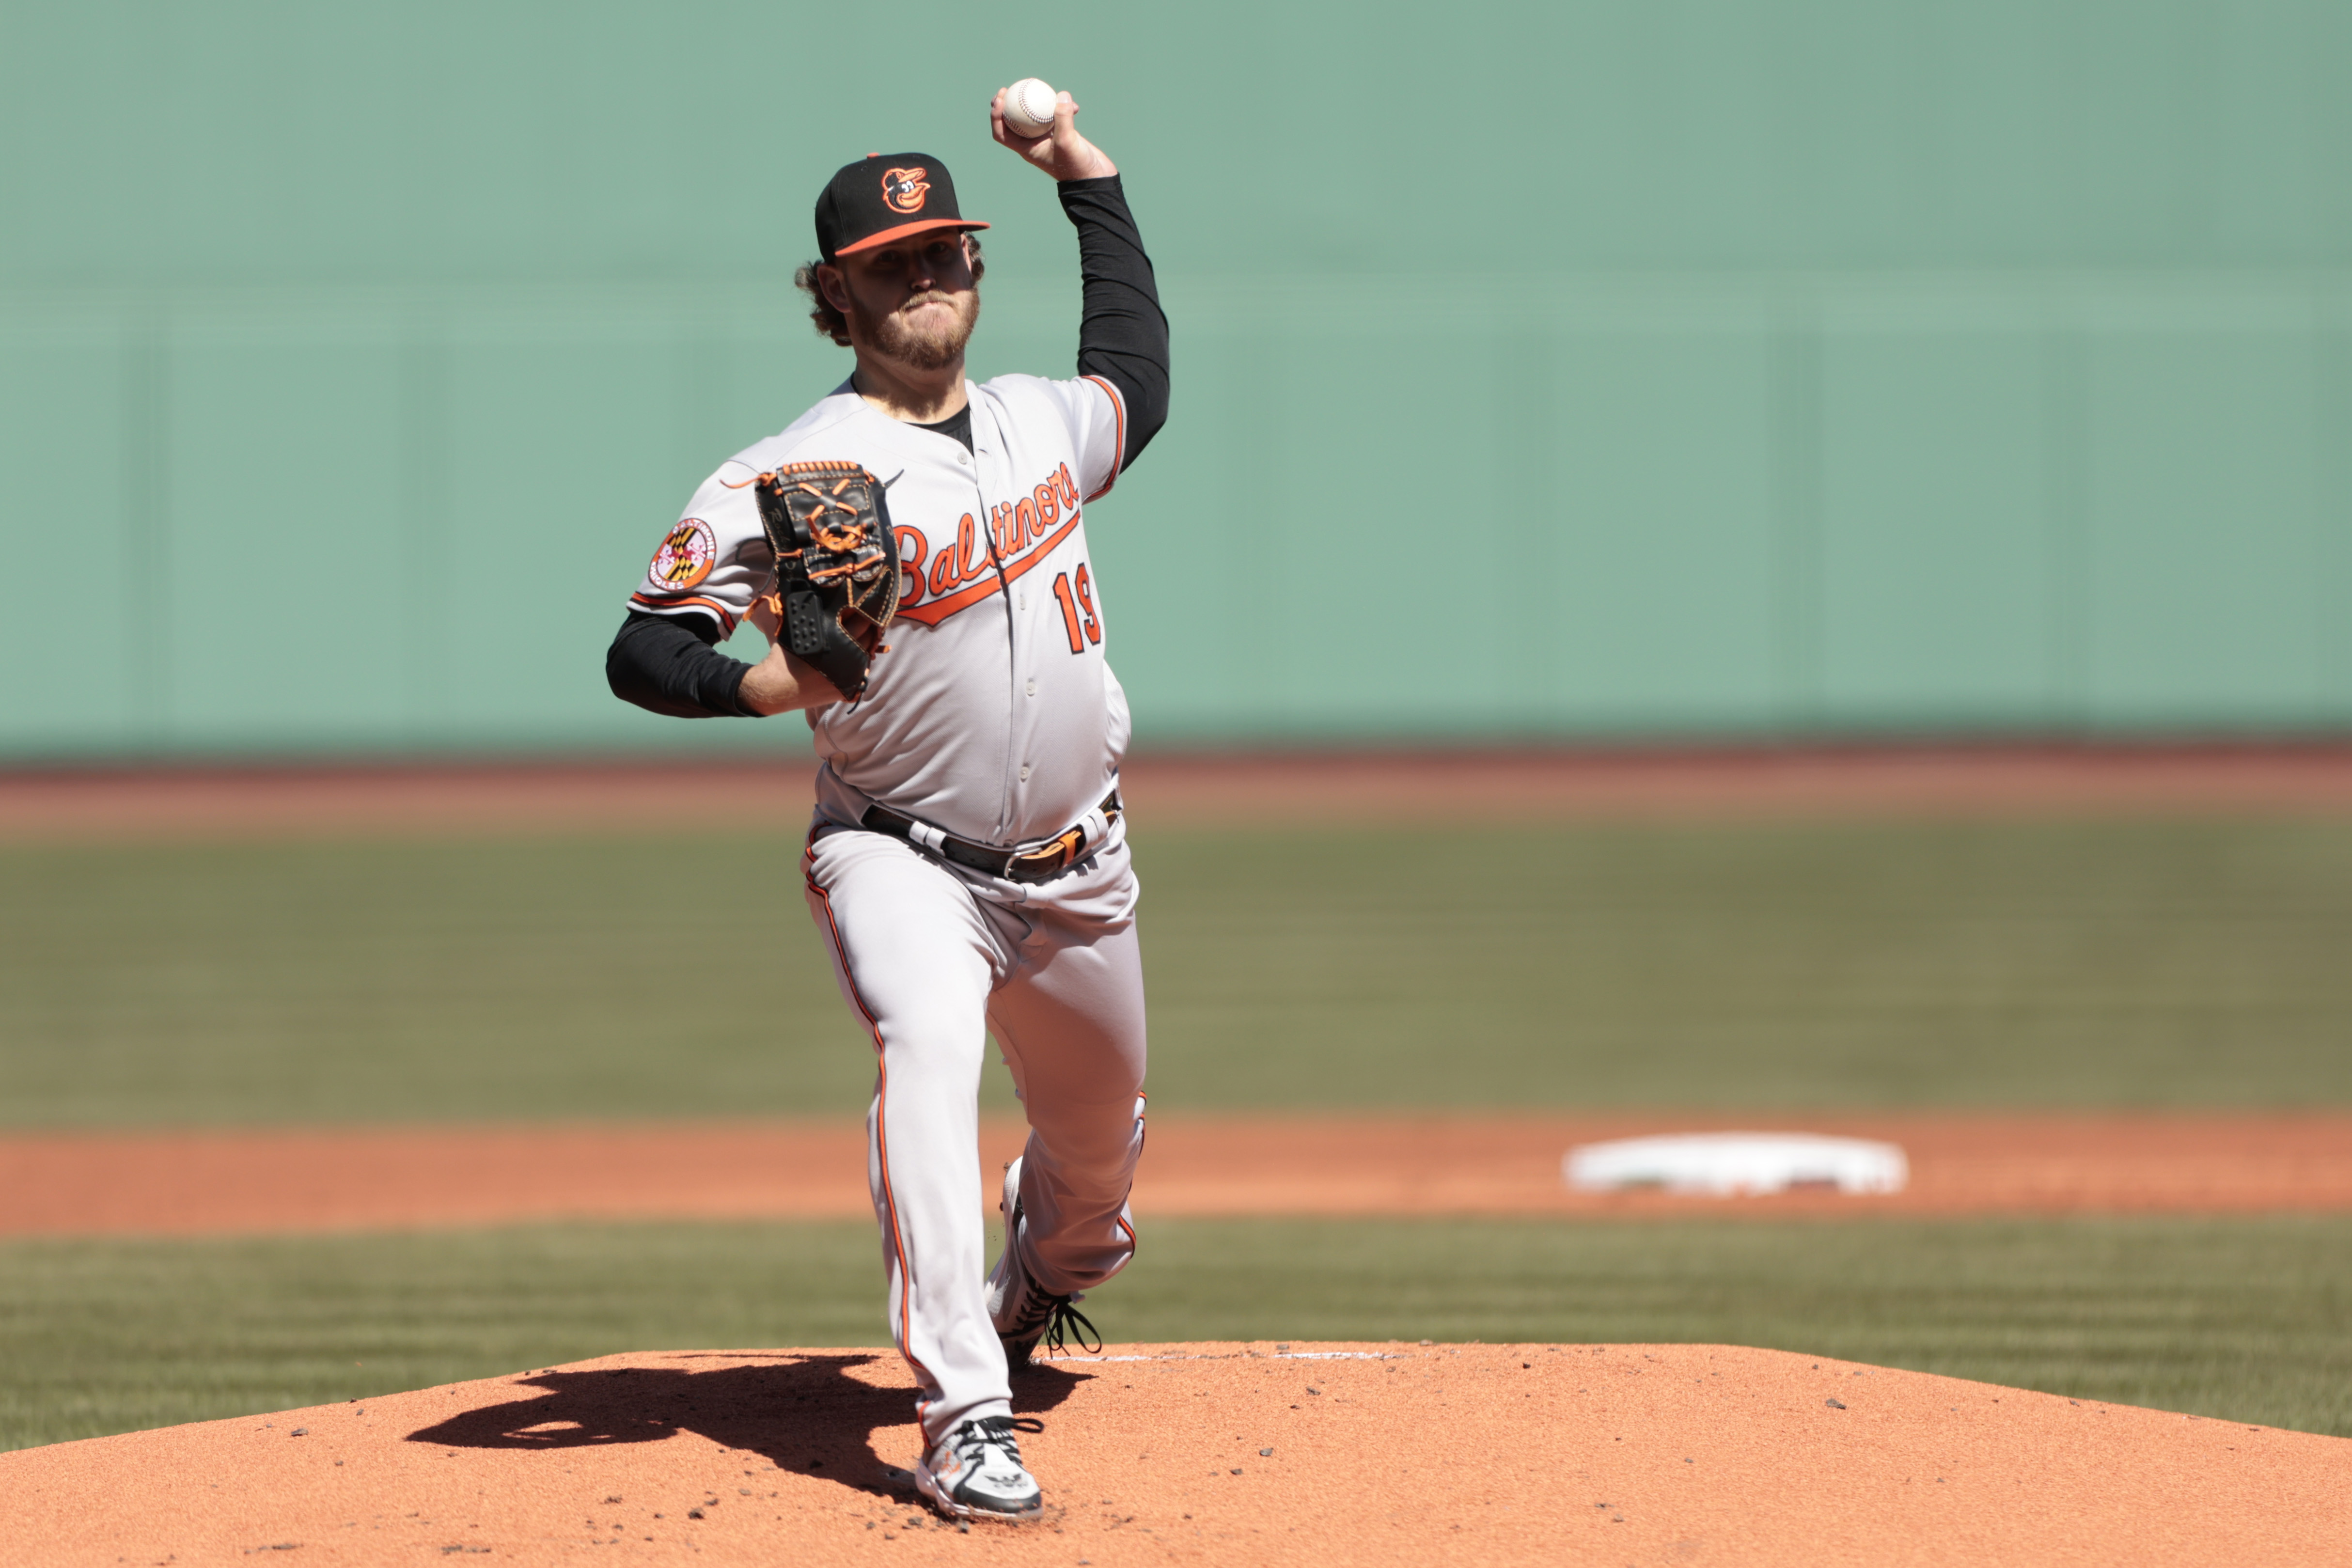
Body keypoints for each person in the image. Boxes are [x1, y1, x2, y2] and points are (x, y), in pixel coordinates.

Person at [603, 87, 1168, 1524]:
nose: (928, 275)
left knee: (1096, 1179)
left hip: (1080, 869)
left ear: (975, 270)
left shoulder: (1045, 421)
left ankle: (1043, 1270)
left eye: (947, 252)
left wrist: (1083, 173)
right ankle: (963, 1408)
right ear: (836, 289)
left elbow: (1138, 373)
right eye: (894, 259)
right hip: (899, 853)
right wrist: (763, 688)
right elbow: (643, 642)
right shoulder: (787, 470)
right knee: (927, 1048)